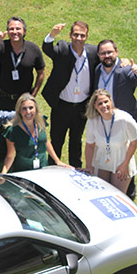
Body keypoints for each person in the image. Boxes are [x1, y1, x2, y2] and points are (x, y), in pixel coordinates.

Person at [94, 39, 137, 199]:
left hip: (123, 121)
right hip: (105, 119)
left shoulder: (125, 69)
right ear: (98, 55)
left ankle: (129, 193)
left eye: (110, 52)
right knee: (109, 150)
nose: (107, 56)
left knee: (125, 156)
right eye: (103, 53)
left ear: (116, 52)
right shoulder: (98, 69)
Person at [0, 16, 46, 166]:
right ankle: (1, 155)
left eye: (18, 28)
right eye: (11, 29)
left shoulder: (33, 49)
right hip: (4, 97)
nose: (15, 32)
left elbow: (41, 72)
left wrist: (34, 94)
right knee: (3, 128)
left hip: (24, 100)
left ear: (24, 31)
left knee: (25, 127)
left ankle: (22, 155)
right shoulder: (3, 46)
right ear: (7, 31)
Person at [41, 21, 99, 168]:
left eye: (82, 35)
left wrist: (123, 62)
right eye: (75, 35)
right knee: (57, 140)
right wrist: (52, 34)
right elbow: (48, 49)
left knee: (76, 140)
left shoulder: (93, 53)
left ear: (87, 36)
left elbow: (108, 59)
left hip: (81, 106)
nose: (78, 38)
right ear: (70, 35)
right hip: (61, 105)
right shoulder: (63, 49)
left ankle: (76, 169)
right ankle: (52, 168)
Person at [83, 89, 137, 195]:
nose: (104, 105)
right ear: (95, 106)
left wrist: (125, 164)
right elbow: (90, 145)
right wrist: (89, 166)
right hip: (101, 161)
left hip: (121, 161)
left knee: (117, 197)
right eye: (100, 103)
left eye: (106, 102)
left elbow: (133, 143)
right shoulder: (92, 121)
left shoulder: (125, 119)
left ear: (111, 102)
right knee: (100, 194)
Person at [1, 93, 70, 174]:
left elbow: (45, 141)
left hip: (43, 168)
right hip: (24, 171)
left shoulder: (41, 121)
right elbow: (10, 156)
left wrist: (57, 161)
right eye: (24, 108)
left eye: (31, 108)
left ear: (36, 109)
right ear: (19, 110)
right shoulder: (12, 131)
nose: (28, 112)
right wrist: (3, 173)